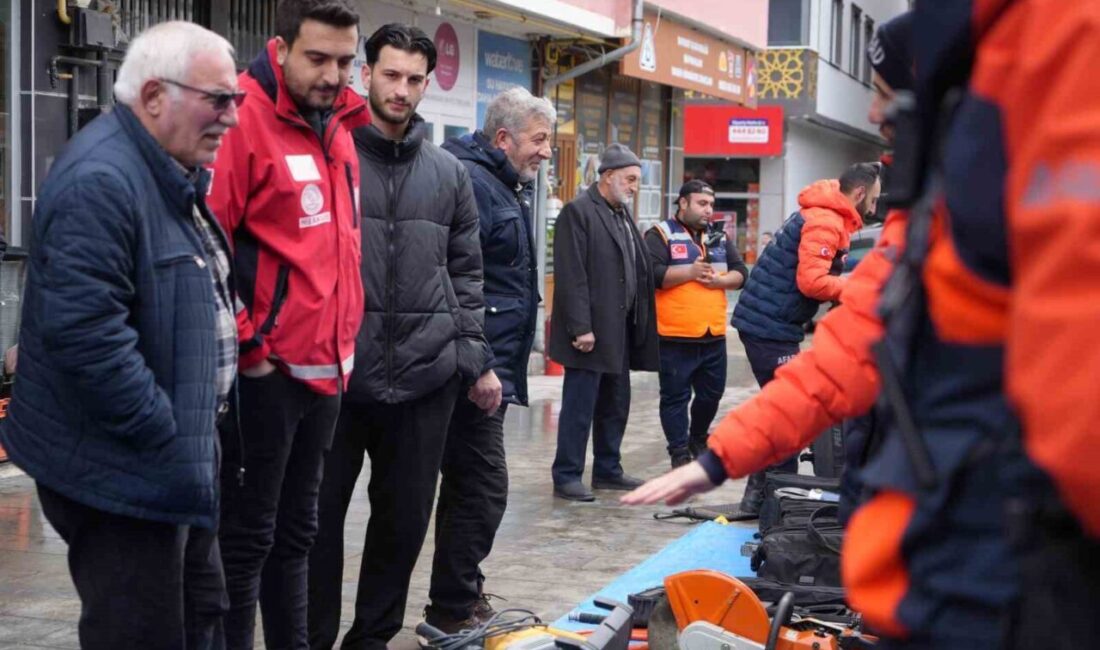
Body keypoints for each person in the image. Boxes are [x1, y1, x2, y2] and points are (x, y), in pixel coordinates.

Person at [628, 5, 1100, 647]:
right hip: (942, 580)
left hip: (1012, 586)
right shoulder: (937, 209)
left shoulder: (1051, 82)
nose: (877, 117)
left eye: (887, 101)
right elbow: (846, 350)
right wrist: (720, 456)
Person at [0, 21, 239, 649]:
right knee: (141, 633)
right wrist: (165, 430)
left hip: (167, 463)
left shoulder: (165, 171)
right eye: (218, 100)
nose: (232, 119)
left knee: (199, 618)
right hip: (125, 475)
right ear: (155, 95)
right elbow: (86, 337)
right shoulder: (103, 180)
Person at [307, 24, 489, 650]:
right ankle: (310, 636)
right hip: (333, 378)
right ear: (365, 75)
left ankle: (371, 639)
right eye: (391, 74)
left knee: (403, 523)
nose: (402, 89)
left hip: (423, 377)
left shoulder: (449, 173)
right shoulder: (328, 157)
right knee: (315, 522)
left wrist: (468, 354)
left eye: (415, 79)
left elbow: (467, 271)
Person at [206, 0, 368, 647]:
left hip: (327, 370)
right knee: (248, 540)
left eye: (344, 60)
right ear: (281, 49)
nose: (333, 74)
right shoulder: (243, 118)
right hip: (266, 375)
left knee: (299, 534)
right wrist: (251, 350)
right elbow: (209, 247)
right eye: (318, 58)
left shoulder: (340, 125)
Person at [423, 87, 556, 632]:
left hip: (483, 365)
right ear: (503, 139)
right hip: (465, 369)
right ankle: (452, 610)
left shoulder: (504, 183)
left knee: (470, 488)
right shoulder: (471, 182)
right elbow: (455, 279)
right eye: (539, 140)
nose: (547, 151)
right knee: (480, 488)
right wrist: (479, 363)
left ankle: (457, 599)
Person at [728, 161, 880, 515]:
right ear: (858, 194)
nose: (874, 208)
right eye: (872, 200)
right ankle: (774, 500)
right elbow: (811, 282)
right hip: (769, 327)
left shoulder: (826, 212)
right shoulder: (826, 221)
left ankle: (761, 496)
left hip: (771, 324)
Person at [549, 143, 659, 502]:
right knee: (580, 407)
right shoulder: (578, 212)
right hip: (590, 332)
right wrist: (580, 327)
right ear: (608, 176)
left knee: (616, 402)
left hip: (620, 329)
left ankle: (608, 470)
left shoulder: (621, 213)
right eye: (629, 179)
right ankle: (567, 474)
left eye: (637, 181)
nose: (633, 187)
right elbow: (571, 275)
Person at [644, 180, 747, 468]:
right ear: (683, 203)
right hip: (674, 335)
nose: (708, 210)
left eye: (711, 205)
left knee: (712, 394)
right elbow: (651, 275)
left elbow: (741, 272)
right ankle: (678, 451)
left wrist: (720, 281)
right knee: (675, 397)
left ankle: (698, 437)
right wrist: (689, 272)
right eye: (702, 204)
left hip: (712, 333)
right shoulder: (660, 234)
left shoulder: (718, 236)